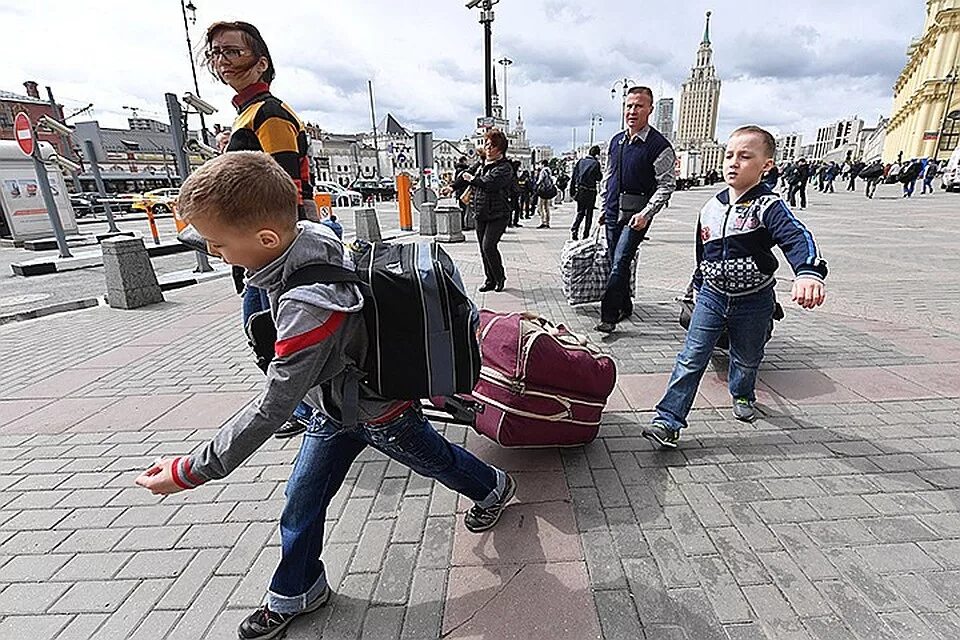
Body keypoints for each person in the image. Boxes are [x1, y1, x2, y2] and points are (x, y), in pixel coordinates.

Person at [136, 152, 517, 640]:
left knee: (435, 460)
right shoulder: (308, 234)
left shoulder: (307, 309)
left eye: (218, 243)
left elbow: (272, 406)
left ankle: (492, 486)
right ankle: (297, 590)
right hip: (335, 407)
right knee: (303, 495)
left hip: (377, 410)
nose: (214, 253)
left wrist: (193, 470)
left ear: (265, 240)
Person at [642, 126, 827, 449]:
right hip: (711, 297)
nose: (734, 162)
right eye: (730, 155)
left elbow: (797, 237)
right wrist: (697, 286)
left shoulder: (768, 206)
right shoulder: (710, 208)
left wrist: (808, 273)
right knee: (691, 357)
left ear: (765, 165)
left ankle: (742, 392)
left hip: (754, 300)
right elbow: (703, 254)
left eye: (745, 156)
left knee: (747, 355)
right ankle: (668, 420)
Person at [205, 20, 317, 438]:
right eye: (217, 52)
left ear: (261, 61)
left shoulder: (268, 113)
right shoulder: (246, 115)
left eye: (233, 51)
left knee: (267, 332)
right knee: (269, 332)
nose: (223, 60)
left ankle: (307, 410)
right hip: (257, 248)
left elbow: (284, 189)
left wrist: (268, 256)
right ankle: (305, 408)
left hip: (271, 253)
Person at [595, 86, 676, 333]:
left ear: (650, 110)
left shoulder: (658, 145)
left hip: (636, 215)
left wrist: (646, 213)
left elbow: (667, 184)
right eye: (629, 106)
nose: (632, 111)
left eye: (639, 106)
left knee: (620, 261)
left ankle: (608, 315)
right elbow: (608, 176)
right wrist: (602, 205)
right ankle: (625, 304)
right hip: (611, 210)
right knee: (614, 260)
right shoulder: (616, 141)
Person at [453, 129, 515, 292]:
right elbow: (465, 175)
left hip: (498, 214)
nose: (487, 147)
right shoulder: (481, 164)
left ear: (499, 149)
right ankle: (489, 280)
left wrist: (472, 179)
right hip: (480, 212)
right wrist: (452, 187)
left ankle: (499, 277)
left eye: (491, 145)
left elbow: (488, 183)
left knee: (489, 246)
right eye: (486, 144)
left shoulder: (505, 168)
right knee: (482, 248)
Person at [570, 145, 603, 240]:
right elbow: (599, 177)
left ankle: (574, 229)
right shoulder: (596, 163)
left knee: (580, 212)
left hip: (580, 190)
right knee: (589, 213)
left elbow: (574, 176)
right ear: (597, 154)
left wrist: (573, 192)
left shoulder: (580, 161)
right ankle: (586, 234)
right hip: (590, 191)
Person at [536, 159, 554, 228]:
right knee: (547, 207)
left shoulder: (543, 171)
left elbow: (540, 180)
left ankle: (543, 222)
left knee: (540, 207)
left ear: (543, 164)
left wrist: (536, 185)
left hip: (543, 191)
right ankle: (547, 222)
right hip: (548, 190)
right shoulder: (549, 170)